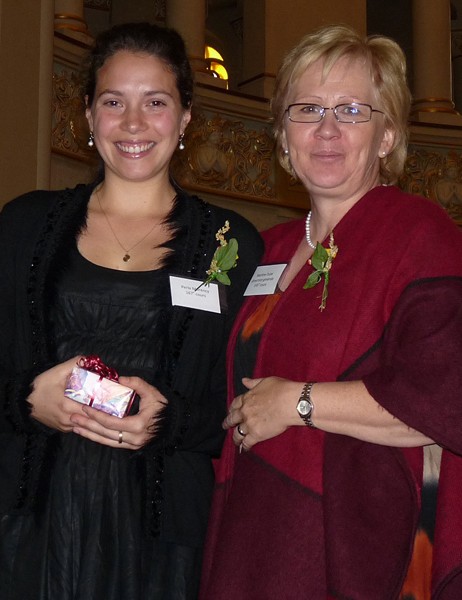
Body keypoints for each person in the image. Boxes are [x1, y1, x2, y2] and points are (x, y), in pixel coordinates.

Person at [0, 22, 262, 600]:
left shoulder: (232, 244)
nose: (134, 123)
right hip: (28, 533)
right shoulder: (21, 226)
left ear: (186, 117)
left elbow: (246, 402)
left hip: (162, 546)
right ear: (88, 115)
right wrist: (24, 399)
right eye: (114, 101)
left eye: (156, 102)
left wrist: (170, 422)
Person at [200, 24, 462, 600]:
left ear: (387, 135)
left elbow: (444, 400)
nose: (326, 129)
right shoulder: (265, 249)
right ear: (282, 134)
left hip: (357, 544)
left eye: (350, 110)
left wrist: (297, 402)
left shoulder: (421, 237)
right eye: (308, 109)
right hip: (254, 532)